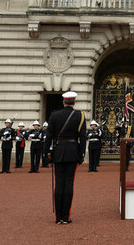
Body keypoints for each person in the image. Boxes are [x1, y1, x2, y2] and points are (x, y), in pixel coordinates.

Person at [48, 90, 87, 224]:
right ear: (74, 102)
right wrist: (81, 154)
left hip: (58, 151)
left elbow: (49, 136)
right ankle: (66, 216)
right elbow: (83, 137)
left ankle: (58, 217)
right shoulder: (80, 115)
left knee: (59, 184)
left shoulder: (54, 115)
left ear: (63, 102)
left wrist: (47, 153)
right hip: (72, 152)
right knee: (69, 184)